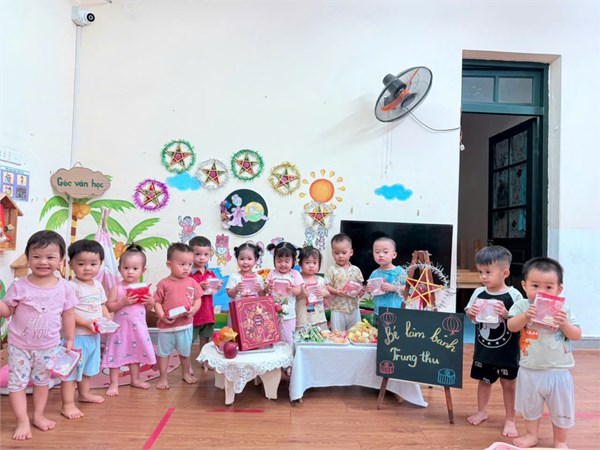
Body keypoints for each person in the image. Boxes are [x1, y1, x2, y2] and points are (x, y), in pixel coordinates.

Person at [0, 230, 77, 440]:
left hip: (48, 346)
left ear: (61, 261)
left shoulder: (65, 288)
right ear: (28, 259)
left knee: (42, 382)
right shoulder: (19, 286)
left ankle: (38, 415)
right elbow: (7, 311)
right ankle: (22, 420)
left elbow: (69, 314)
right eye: (36, 256)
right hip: (19, 346)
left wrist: (70, 338)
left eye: (50, 257)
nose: (43, 262)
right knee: (17, 384)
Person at [508, 257, 581, 449]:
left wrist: (564, 324)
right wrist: (526, 316)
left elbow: (576, 335)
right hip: (529, 368)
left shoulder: (564, 310)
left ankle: (560, 441)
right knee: (530, 407)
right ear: (524, 285)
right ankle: (531, 435)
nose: (541, 292)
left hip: (559, 371)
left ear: (559, 289)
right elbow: (512, 326)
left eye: (549, 287)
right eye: (535, 286)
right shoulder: (522, 306)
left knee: (562, 409)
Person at [464, 245, 523, 438]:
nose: (483, 276)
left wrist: (506, 314)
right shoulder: (478, 292)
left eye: (488, 272)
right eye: (480, 272)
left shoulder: (514, 295)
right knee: (484, 381)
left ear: (505, 273)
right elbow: (469, 313)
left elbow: (519, 322)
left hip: (507, 352)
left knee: (509, 384)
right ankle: (482, 411)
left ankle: (510, 419)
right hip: (484, 350)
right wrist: (471, 313)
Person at [61, 239, 112, 419]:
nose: (87, 268)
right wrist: (84, 323)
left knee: (88, 367)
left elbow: (102, 304)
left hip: (93, 336)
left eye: (93, 264)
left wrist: (107, 317)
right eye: (81, 264)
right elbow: (68, 312)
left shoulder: (97, 285)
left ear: (100, 264)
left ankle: (84, 394)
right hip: (76, 337)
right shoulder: (71, 286)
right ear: (71, 265)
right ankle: (67, 404)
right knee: (71, 372)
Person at [102, 244, 156, 397]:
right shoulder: (117, 287)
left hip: (138, 329)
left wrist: (150, 301)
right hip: (120, 329)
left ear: (143, 270)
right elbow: (109, 307)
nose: (130, 272)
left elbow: (147, 309)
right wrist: (123, 302)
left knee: (135, 354)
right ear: (119, 268)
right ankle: (113, 383)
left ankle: (135, 379)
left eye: (135, 268)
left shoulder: (144, 288)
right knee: (115, 354)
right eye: (126, 268)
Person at [153, 243, 203, 389]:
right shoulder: (163, 284)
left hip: (185, 326)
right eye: (182, 264)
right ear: (169, 265)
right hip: (166, 328)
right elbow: (157, 302)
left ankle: (186, 373)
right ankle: (163, 377)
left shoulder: (192, 282)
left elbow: (198, 299)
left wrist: (193, 310)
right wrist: (162, 316)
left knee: (185, 353)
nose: (187, 268)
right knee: (163, 354)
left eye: (190, 264)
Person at [188, 236, 222, 372]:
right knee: (189, 341)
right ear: (190, 254)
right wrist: (199, 286)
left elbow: (213, 291)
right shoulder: (188, 274)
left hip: (207, 312)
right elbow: (186, 291)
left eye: (206, 255)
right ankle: (187, 365)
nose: (202, 258)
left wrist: (217, 286)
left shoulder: (211, 273)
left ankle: (205, 361)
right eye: (197, 254)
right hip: (193, 314)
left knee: (205, 339)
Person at [264, 242, 303, 345]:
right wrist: (269, 287)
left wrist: (292, 290)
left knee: (288, 339)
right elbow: (265, 289)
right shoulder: (272, 273)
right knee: (272, 338)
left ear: (293, 261)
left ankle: (289, 354)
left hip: (289, 314)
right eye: (279, 261)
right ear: (274, 260)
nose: (283, 264)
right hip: (272, 314)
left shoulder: (295, 274)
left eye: (287, 261)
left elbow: (298, 291)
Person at [324, 233, 365, 332]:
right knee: (337, 335)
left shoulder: (356, 270)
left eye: (344, 252)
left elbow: (361, 285)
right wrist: (336, 291)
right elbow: (328, 286)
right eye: (337, 253)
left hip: (354, 308)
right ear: (332, 253)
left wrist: (361, 291)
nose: (340, 256)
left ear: (351, 252)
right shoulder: (331, 270)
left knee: (355, 334)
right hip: (338, 309)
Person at [365, 237, 406, 326]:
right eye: (377, 252)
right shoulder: (375, 273)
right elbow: (371, 292)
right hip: (377, 312)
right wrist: (369, 290)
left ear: (394, 255)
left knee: (392, 334)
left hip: (395, 313)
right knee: (377, 334)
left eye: (385, 252)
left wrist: (394, 288)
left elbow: (409, 289)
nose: (381, 255)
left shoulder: (399, 272)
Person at [297, 246, 329, 331]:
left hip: (319, 318)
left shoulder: (320, 280)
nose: (311, 266)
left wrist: (324, 293)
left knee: (321, 337)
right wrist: (301, 294)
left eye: (315, 263)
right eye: (307, 262)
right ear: (300, 263)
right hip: (303, 320)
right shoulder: (298, 280)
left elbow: (328, 293)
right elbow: (293, 296)